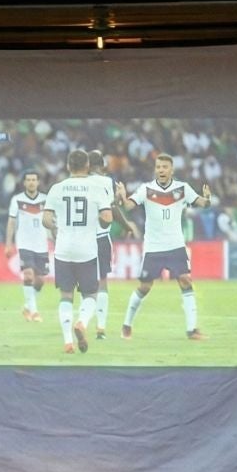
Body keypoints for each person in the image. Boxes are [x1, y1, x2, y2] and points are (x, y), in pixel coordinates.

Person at [121, 154, 215, 342]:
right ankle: (127, 324)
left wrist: (208, 199)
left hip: (175, 246)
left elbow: (203, 204)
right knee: (145, 286)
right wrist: (122, 197)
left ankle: (192, 330)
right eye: (158, 167)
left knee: (185, 281)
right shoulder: (146, 189)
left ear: (172, 170)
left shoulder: (183, 189)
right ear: (155, 169)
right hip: (153, 247)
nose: (161, 170)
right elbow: (128, 206)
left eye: (165, 167)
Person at [45, 148, 113, 354]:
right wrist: (98, 219)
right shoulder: (96, 188)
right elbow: (108, 218)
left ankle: (67, 342)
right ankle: (82, 322)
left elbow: (46, 220)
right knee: (91, 293)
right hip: (87, 250)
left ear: (68, 166)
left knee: (66, 296)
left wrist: (57, 230)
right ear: (87, 166)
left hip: (63, 249)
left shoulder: (57, 188)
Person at [5, 170, 51, 322]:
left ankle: (27, 306)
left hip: (41, 244)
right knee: (28, 275)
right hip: (24, 243)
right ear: (24, 183)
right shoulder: (17, 200)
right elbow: (11, 222)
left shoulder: (46, 200)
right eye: (28, 180)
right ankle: (34, 312)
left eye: (34, 180)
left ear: (38, 182)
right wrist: (8, 244)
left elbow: (51, 221)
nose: (31, 182)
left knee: (40, 281)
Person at [89, 149, 116, 340]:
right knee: (102, 282)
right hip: (102, 237)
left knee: (83, 284)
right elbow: (111, 206)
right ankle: (101, 328)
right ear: (102, 165)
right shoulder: (108, 182)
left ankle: (81, 320)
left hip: (81, 238)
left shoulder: (78, 183)